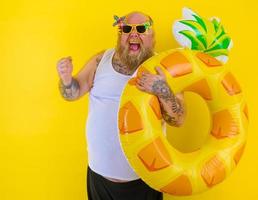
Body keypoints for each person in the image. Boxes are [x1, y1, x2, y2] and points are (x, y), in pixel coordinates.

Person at [56, 11, 185, 200]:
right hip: (99, 178)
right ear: (119, 35)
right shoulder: (101, 61)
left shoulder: (165, 69)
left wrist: (162, 89)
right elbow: (73, 93)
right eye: (127, 29)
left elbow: (179, 119)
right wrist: (66, 80)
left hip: (146, 180)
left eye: (141, 29)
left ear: (152, 36)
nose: (134, 34)